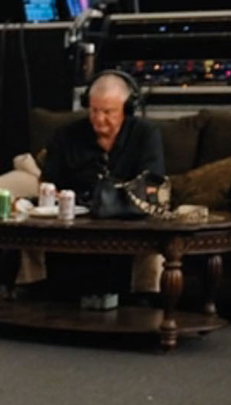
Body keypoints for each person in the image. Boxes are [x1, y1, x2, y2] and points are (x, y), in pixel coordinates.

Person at [23, 70, 168, 300]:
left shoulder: (145, 135)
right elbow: (50, 183)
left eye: (108, 112)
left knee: (154, 242)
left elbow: (153, 185)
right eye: (94, 110)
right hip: (76, 219)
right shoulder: (66, 136)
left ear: (126, 109)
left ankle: (146, 301)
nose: (99, 119)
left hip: (130, 221)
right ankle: (32, 293)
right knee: (29, 230)